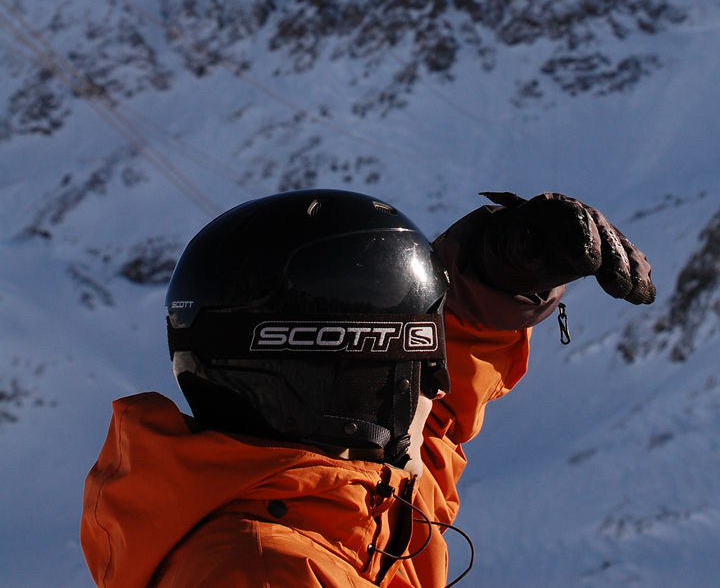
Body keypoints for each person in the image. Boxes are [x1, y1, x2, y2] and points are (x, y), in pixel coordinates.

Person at [81, 189, 655, 588]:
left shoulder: (347, 515)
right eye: (419, 363)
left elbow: (433, 425)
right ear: (352, 385)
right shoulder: (267, 574)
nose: (436, 382)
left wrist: (495, 281)